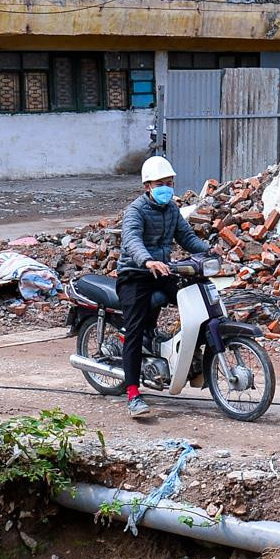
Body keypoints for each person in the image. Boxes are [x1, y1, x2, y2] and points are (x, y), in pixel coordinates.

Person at [115, 154, 209, 418]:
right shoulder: (135, 211)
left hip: (163, 271)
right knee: (134, 330)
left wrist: (210, 253)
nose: (166, 188)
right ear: (148, 186)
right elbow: (132, 240)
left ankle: (192, 358)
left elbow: (187, 237)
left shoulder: (171, 210)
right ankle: (133, 394)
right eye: (160, 184)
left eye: (169, 182)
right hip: (134, 274)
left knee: (193, 298)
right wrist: (147, 261)